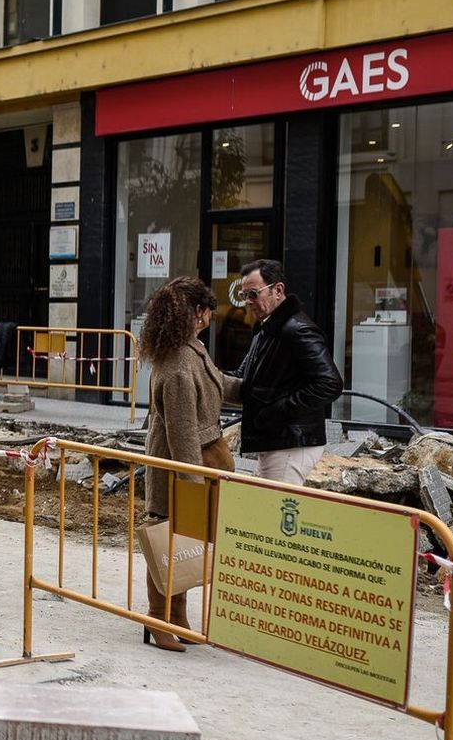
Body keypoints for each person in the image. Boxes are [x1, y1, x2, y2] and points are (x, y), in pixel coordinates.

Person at [139, 277, 233, 653]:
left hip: (193, 458)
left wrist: (252, 388)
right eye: (207, 309)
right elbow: (182, 434)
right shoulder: (178, 363)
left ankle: (177, 614)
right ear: (195, 313)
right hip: (180, 464)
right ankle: (157, 617)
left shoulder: (188, 350)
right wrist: (193, 481)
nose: (210, 316)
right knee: (167, 536)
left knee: (182, 541)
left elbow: (217, 383)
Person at [224, 259, 343, 484]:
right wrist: (204, 374)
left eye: (253, 294)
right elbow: (243, 378)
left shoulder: (296, 330)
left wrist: (279, 409)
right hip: (279, 441)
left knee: (275, 514)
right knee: (269, 512)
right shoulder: (267, 329)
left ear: (278, 290)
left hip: (290, 444)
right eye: (244, 296)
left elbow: (330, 383)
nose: (248, 302)